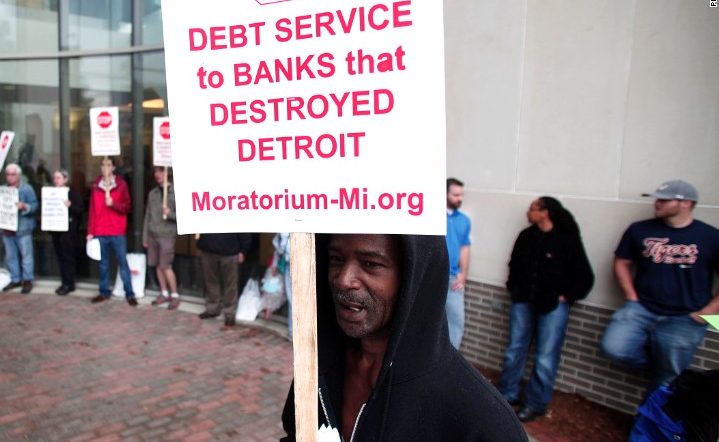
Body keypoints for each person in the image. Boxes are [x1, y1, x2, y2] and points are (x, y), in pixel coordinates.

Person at [280, 234, 528, 441]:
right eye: (336, 259)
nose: (343, 280)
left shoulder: (480, 418)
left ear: (415, 278)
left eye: (370, 264)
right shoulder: (318, 366)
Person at [600, 180, 719, 396]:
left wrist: (708, 313)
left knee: (667, 378)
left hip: (686, 317)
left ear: (686, 203)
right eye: (657, 199)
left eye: (665, 200)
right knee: (614, 348)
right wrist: (632, 297)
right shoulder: (640, 229)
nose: (657, 203)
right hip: (642, 309)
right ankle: (662, 364)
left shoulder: (710, 236)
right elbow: (622, 261)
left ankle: (646, 425)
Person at [498, 197, 595, 422]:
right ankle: (506, 394)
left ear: (545, 213)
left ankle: (535, 403)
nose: (528, 212)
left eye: (532, 208)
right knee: (515, 349)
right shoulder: (526, 236)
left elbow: (585, 277)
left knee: (545, 356)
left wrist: (566, 297)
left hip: (552, 307)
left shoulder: (566, 241)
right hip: (523, 302)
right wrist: (514, 289)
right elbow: (513, 265)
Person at [87, 157, 137, 306]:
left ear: (114, 167)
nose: (105, 168)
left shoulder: (121, 185)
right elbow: (92, 211)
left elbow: (127, 207)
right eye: (103, 165)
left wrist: (113, 204)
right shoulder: (96, 186)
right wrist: (90, 230)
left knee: (122, 263)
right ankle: (104, 292)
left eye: (108, 164)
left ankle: (130, 293)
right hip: (100, 230)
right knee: (103, 264)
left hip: (116, 230)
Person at [0, 163, 38, 294]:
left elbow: (35, 206)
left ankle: (27, 279)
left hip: (22, 228)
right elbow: (1, 206)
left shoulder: (26, 188)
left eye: (13, 174)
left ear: (18, 175)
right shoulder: (4, 190)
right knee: (11, 256)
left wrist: (25, 207)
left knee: (26, 255)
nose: (10, 177)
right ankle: (15, 278)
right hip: (7, 228)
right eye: (8, 174)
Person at [143, 166, 179, 309]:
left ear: (168, 172)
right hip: (153, 234)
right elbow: (147, 216)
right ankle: (164, 292)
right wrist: (145, 236)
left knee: (166, 266)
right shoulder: (153, 193)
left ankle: (175, 295)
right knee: (158, 266)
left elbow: (183, 217)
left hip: (167, 234)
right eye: (156, 172)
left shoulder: (175, 193)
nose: (158, 174)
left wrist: (169, 213)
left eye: (161, 171)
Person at [196, 232, 249, 327]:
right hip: (209, 248)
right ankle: (212, 309)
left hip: (230, 251)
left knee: (230, 284)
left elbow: (244, 230)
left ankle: (229, 313)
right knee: (210, 281)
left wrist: (243, 250)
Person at [445, 177, 471, 349]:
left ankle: (449, 362)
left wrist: (463, 275)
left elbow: (465, 248)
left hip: (453, 277)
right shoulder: (429, 216)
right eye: (455, 195)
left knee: (456, 320)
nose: (459, 199)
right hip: (433, 275)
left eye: (461, 195)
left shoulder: (464, 220)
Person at [49, 169, 83, 295]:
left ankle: (70, 283)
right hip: (56, 230)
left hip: (67, 231)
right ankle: (64, 282)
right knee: (60, 258)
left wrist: (70, 206)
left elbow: (80, 210)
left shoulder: (72, 193)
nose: (55, 180)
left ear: (65, 179)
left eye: (58, 178)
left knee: (68, 257)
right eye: (54, 178)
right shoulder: (51, 193)